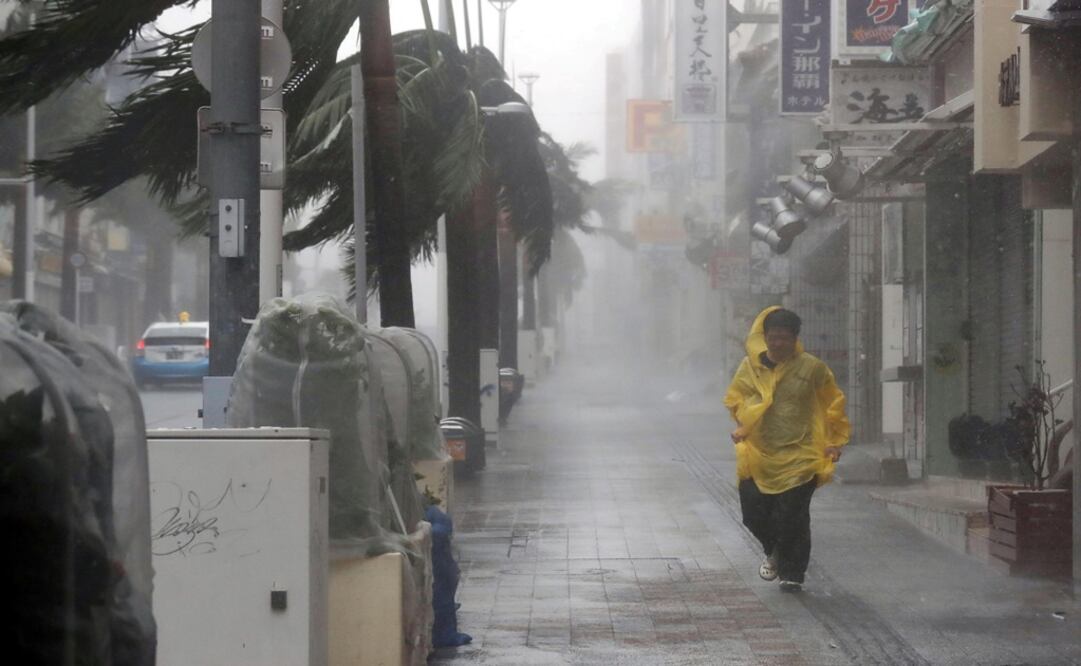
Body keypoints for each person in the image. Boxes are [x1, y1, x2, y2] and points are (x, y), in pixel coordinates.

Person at [724, 307, 850, 592]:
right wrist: (746, 419)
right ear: (764, 337)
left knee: (792, 514)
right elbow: (735, 398)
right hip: (759, 453)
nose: (778, 343)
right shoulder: (750, 367)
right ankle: (775, 551)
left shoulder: (812, 368)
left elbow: (833, 404)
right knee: (753, 511)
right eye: (773, 337)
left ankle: (793, 573)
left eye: (784, 337)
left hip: (801, 452)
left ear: (795, 339)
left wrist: (834, 441)